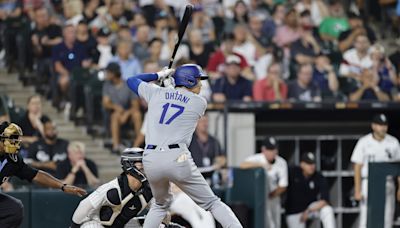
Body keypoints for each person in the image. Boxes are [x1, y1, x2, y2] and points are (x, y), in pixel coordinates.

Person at [126, 64, 243, 227]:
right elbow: (178, 98)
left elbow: (131, 80)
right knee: (213, 203)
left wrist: (158, 75)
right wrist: (169, 86)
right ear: (187, 81)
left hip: (151, 159)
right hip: (177, 158)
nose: (201, 85)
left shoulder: (156, 93)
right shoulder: (199, 102)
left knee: (159, 206)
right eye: (197, 80)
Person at [0, 121, 86, 227]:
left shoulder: (13, 160)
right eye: (11, 138)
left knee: (14, 209)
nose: (15, 142)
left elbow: (35, 175)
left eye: (16, 138)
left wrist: (62, 186)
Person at [70, 147, 182, 228]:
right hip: (96, 223)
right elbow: (84, 206)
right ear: (129, 165)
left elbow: (159, 210)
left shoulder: (147, 190)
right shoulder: (112, 188)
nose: (145, 167)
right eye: (141, 163)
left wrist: (164, 221)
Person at [351, 114, 400, 228]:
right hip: (369, 183)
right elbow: (357, 166)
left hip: (387, 183)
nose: (382, 128)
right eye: (380, 125)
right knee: (366, 218)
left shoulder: (393, 142)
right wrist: (357, 190)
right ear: (373, 126)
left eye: (384, 125)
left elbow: (398, 167)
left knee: (387, 218)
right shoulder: (364, 142)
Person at [240, 137, 288, 228]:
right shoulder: (258, 158)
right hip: (258, 197)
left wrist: (270, 196)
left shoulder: (281, 162)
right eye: (269, 149)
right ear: (263, 149)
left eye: (274, 149)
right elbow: (242, 165)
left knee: (275, 224)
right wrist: (261, 165)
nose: (272, 152)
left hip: (273, 197)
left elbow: (283, 186)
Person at [285, 152, 336, 228]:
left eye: (313, 163)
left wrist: (308, 211)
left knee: (327, 210)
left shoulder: (318, 176)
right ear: (302, 164)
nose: (312, 166)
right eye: (308, 163)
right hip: (294, 212)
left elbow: (325, 201)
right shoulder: (293, 173)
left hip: (310, 209)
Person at [102, 62, 142, 154]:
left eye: (108, 72)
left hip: (129, 112)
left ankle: (139, 144)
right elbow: (106, 103)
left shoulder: (127, 85)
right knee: (115, 116)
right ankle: (116, 145)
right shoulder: (107, 85)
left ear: (114, 73)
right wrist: (115, 107)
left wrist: (126, 113)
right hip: (116, 113)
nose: (106, 74)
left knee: (137, 114)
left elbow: (135, 105)